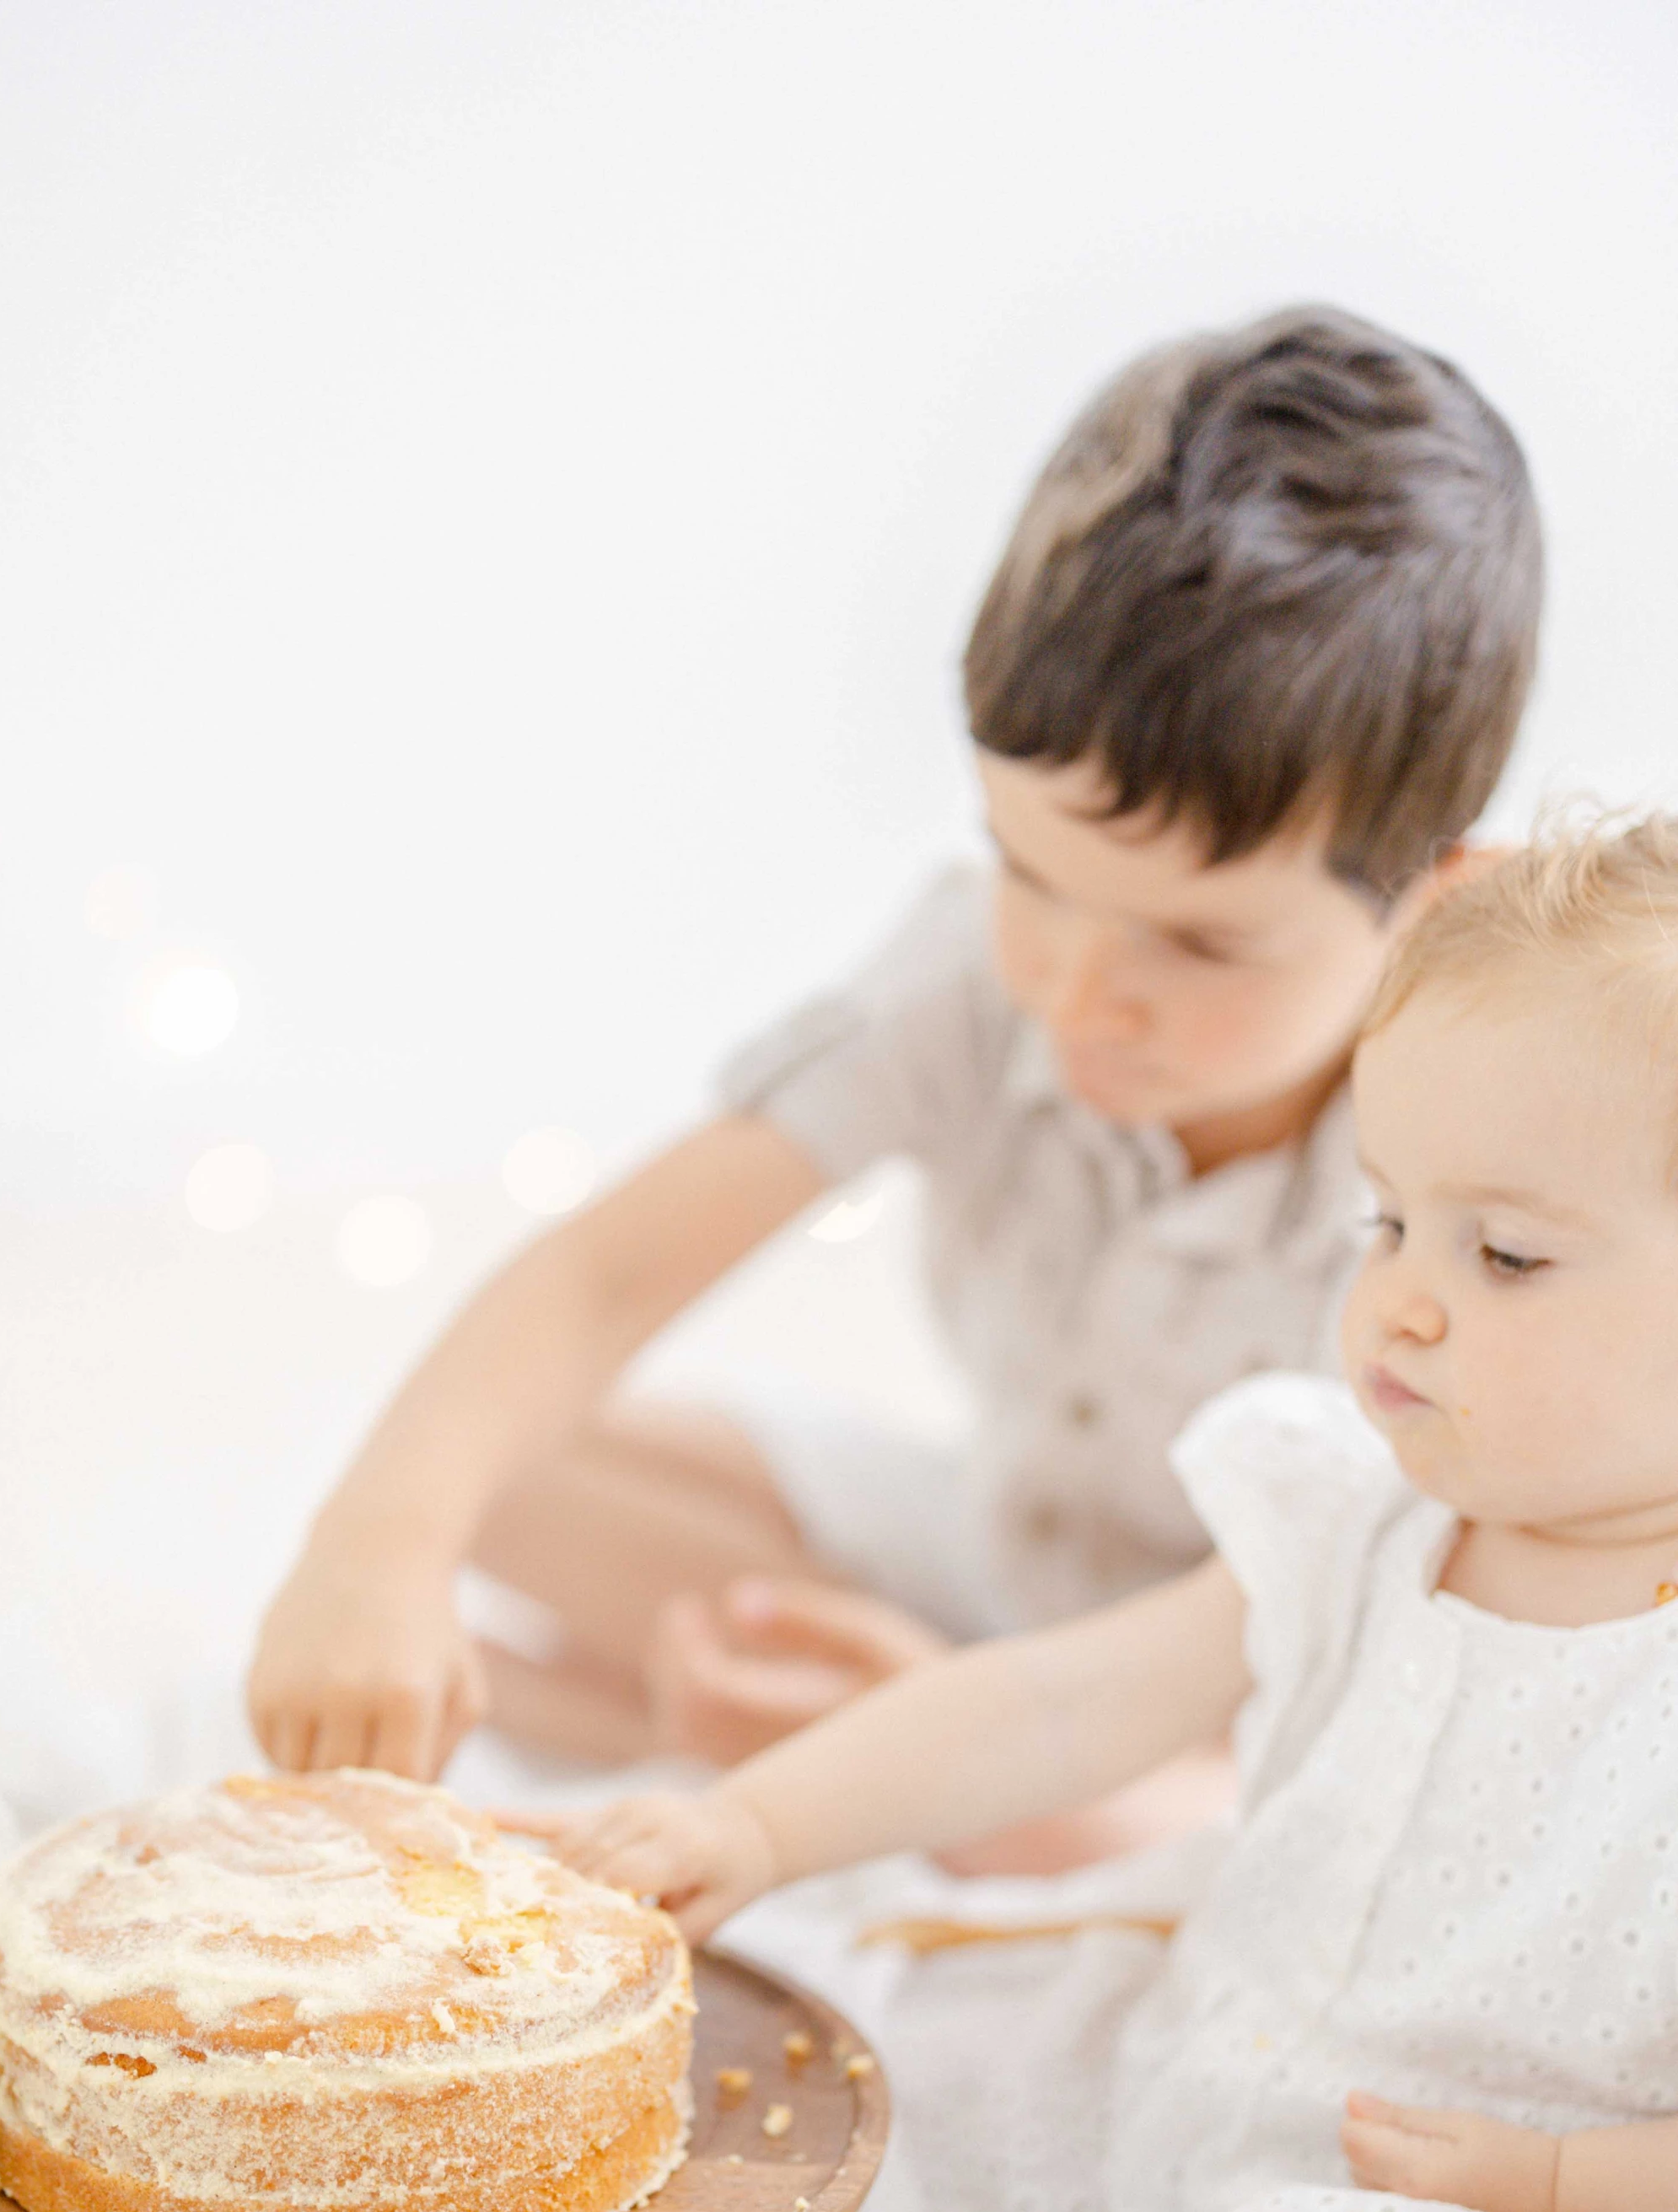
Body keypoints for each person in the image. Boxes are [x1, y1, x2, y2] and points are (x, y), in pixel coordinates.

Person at [537, 820, 1678, 2212]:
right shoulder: (1358, 1520)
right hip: (1220, 2057)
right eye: (1386, 1219)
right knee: (945, 2028)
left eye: (1507, 1254)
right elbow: (1047, 1705)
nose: (1401, 1298)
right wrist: (762, 1818)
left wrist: (1559, 2195)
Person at [249, 309, 1541, 1870]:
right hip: (992, 1537)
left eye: (1199, 945)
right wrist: (375, 1550)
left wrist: (982, 1738)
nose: (1076, 988)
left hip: (1249, 1675)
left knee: (1243, 1835)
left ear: (1437, 904)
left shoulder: (1490, 1130)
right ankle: (836, 1721)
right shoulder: (971, 980)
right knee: (481, 1462)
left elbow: (1437, 1626)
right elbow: (603, 1275)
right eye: (1028, 871)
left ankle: (842, 1744)